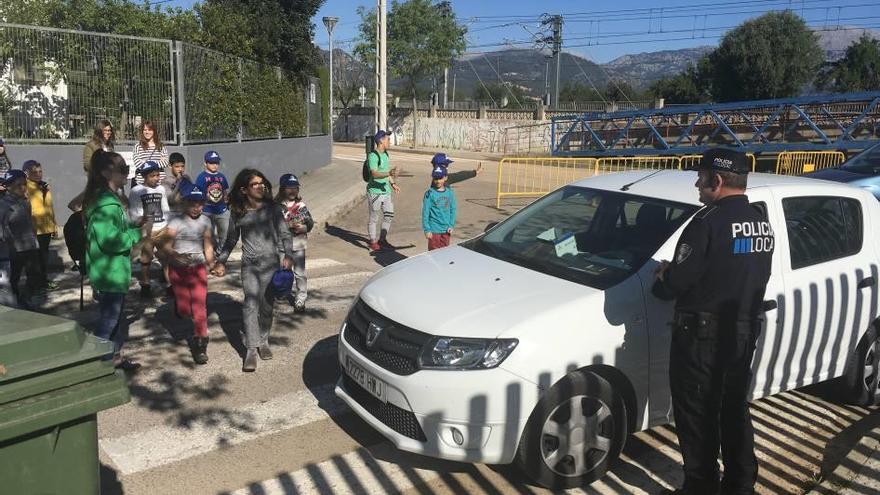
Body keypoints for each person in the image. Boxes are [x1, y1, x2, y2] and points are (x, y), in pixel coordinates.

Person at [652, 148, 774, 495]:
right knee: (733, 410)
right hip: (743, 329)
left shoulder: (707, 222)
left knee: (696, 415)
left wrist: (664, 275)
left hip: (702, 336)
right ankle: (739, 486)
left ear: (716, 181)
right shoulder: (760, 221)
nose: (696, 183)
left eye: (701, 177)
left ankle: (700, 488)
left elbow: (677, 283)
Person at [212, 168, 292, 372]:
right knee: (250, 305)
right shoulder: (238, 212)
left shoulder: (273, 209)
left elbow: (285, 234)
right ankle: (251, 350)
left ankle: (263, 340)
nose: (260, 186)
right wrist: (221, 261)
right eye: (254, 184)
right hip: (250, 265)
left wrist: (288, 256)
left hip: (271, 264)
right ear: (244, 189)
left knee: (266, 308)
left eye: (261, 183)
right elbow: (230, 239)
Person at [84, 150, 147, 370]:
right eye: (123, 171)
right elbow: (110, 240)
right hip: (108, 272)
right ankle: (97, 363)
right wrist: (138, 235)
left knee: (116, 319)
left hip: (113, 271)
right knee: (108, 321)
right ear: (105, 173)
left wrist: (133, 225)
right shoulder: (106, 205)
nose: (126, 176)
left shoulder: (109, 201)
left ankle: (114, 357)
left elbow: (116, 230)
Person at [162, 184, 215, 365]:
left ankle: (200, 345)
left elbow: (207, 244)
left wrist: (212, 263)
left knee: (200, 308)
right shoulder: (175, 222)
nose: (196, 207)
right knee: (185, 311)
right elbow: (166, 246)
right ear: (184, 203)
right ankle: (180, 305)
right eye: (192, 203)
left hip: (198, 268)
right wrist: (176, 255)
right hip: (178, 269)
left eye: (200, 203)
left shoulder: (206, 221)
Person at [0, 169, 43, 308]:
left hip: (30, 245)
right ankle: (15, 303)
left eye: (24, 184)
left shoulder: (25, 202)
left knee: (34, 274)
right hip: (14, 249)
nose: (23, 187)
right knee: (14, 279)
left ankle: (26, 298)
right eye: (18, 185)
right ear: (8, 186)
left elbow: (29, 220)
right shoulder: (3, 205)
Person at [128, 161, 170, 298]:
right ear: (145, 176)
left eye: (158, 175)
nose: (157, 178)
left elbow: (165, 208)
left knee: (166, 258)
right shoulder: (136, 191)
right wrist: (139, 220)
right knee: (146, 259)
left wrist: (168, 225)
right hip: (147, 230)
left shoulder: (161, 189)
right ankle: (145, 284)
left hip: (161, 228)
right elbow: (133, 211)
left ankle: (170, 284)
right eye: (153, 176)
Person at [276, 173, 314, 312]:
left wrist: (304, 227)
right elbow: (272, 226)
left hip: (298, 244)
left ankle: (300, 299)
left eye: (295, 188)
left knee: (300, 273)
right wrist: (288, 225)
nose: (293, 191)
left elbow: (310, 223)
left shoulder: (301, 206)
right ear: (282, 189)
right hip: (281, 245)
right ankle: (281, 293)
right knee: (282, 271)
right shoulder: (277, 206)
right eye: (289, 188)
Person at [23, 160, 58, 291]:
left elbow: (49, 207)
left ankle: (43, 281)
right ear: (27, 173)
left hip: (46, 227)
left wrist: (54, 225)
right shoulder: (25, 187)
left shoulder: (44, 186)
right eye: (34, 172)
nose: (38, 174)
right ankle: (33, 285)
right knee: (33, 260)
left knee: (43, 257)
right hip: (33, 229)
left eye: (40, 171)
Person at [366, 130, 400, 252]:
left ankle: (382, 239)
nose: (390, 141)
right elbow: (374, 174)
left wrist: (393, 183)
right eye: (388, 139)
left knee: (389, 215)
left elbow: (386, 172)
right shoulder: (373, 156)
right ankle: (373, 241)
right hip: (375, 192)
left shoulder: (386, 154)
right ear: (381, 141)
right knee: (374, 217)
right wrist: (389, 173)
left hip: (386, 191)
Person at [194, 151, 230, 249]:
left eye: (216, 162)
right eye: (211, 162)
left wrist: (226, 204)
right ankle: (211, 253)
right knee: (209, 236)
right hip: (207, 211)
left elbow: (225, 191)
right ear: (205, 163)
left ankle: (220, 254)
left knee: (225, 235)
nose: (215, 165)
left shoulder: (221, 177)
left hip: (221, 210)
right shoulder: (201, 177)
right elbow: (198, 194)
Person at [422, 164, 457, 251]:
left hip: (446, 229)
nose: (438, 181)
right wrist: (427, 229)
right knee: (434, 253)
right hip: (434, 230)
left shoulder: (450, 193)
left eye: (440, 178)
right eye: (435, 178)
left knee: (444, 253)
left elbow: (453, 209)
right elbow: (425, 212)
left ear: (445, 178)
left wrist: (451, 225)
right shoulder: (429, 194)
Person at [132, 121, 169, 186]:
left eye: (149, 130)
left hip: (159, 183)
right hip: (142, 183)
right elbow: (138, 163)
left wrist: (146, 163)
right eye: (145, 130)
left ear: (154, 131)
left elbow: (165, 162)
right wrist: (157, 163)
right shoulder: (138, 146)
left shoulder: (161, 146)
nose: (147, 132)